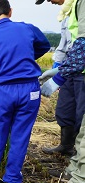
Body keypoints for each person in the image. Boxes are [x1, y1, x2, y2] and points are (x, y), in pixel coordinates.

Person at [0, 0, 51, 183]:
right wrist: (23, 57)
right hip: (30, 90)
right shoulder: (27, 29)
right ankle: (11, 182)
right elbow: (45, 45)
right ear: (10, 12)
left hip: (4, 90)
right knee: (21, 135)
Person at [37, 0, 85, 183]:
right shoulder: (73, 6)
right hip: (79, 72)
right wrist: (59, 70)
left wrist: (60, 77)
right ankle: (75, 170)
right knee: (79, 125)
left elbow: (84, 45)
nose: (49, 1)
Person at [41, 12, 80, 157]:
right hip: (69, 66)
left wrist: (59, 74)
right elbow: (65, 44)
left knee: (81, 114)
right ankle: (66, 146)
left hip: (80, 68)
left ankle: (78, 157)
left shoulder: (81, 7)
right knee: (64, 109)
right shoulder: (66, 14)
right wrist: (57, 66)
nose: (50, 2)